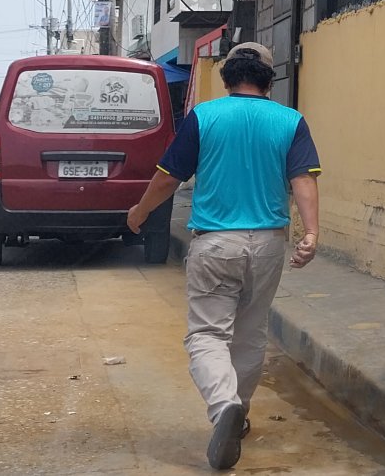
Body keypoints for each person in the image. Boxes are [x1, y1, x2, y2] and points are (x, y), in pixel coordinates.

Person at [126, 42, 321, 470]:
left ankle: (223, 405)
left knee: (207, 335)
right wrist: (311, 232)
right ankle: (240, 414)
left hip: (216, 243)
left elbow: (168, 178)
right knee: (250, 335)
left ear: (228, 77)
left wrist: (139, 213)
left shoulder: (205, 116)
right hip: (269, 243)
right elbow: (303, 179)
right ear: (270, 80)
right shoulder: (291, 121)